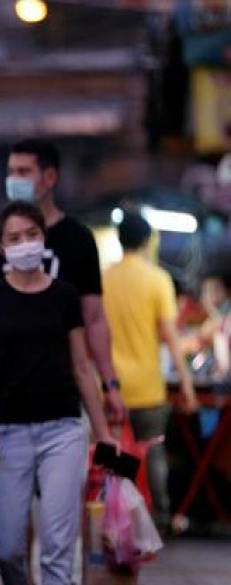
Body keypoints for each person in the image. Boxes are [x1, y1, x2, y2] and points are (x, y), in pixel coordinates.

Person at [0, 201, 117, 585]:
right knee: (8, 548)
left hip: (63, 430)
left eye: (32, 235)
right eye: (14, 238)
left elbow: (82, 367)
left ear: (43, 238)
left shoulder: (65, 295)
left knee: (57, 549)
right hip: (9, 432)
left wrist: (104, 434)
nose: (25, 244)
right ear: (1, 248)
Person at [0, 138, 124, 422]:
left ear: (50, 177)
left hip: (63, 398)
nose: (14, 180)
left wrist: (110, 384)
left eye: (23, 172)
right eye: (10, 172)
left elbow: (94, 319)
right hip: (6, 397)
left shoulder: (78, 239)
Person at [102, 211, 199, 532]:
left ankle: (115, 519)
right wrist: (185, 383)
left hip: (110, 387)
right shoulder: (157, 279)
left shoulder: (103, 278)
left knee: (114, 455)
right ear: (146, 241)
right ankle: (157, 518)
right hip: (147, 386)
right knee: (153, 451)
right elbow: (170, 336)